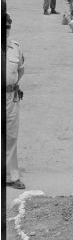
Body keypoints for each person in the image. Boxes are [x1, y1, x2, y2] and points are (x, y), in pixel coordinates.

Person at [4, 13, 26, 189]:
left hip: (11, 98)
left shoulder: (15, 47)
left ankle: (11, 176)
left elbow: (20, 70)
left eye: (7, 27)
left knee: (11, 136)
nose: (5, 30)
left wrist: (12, 85)